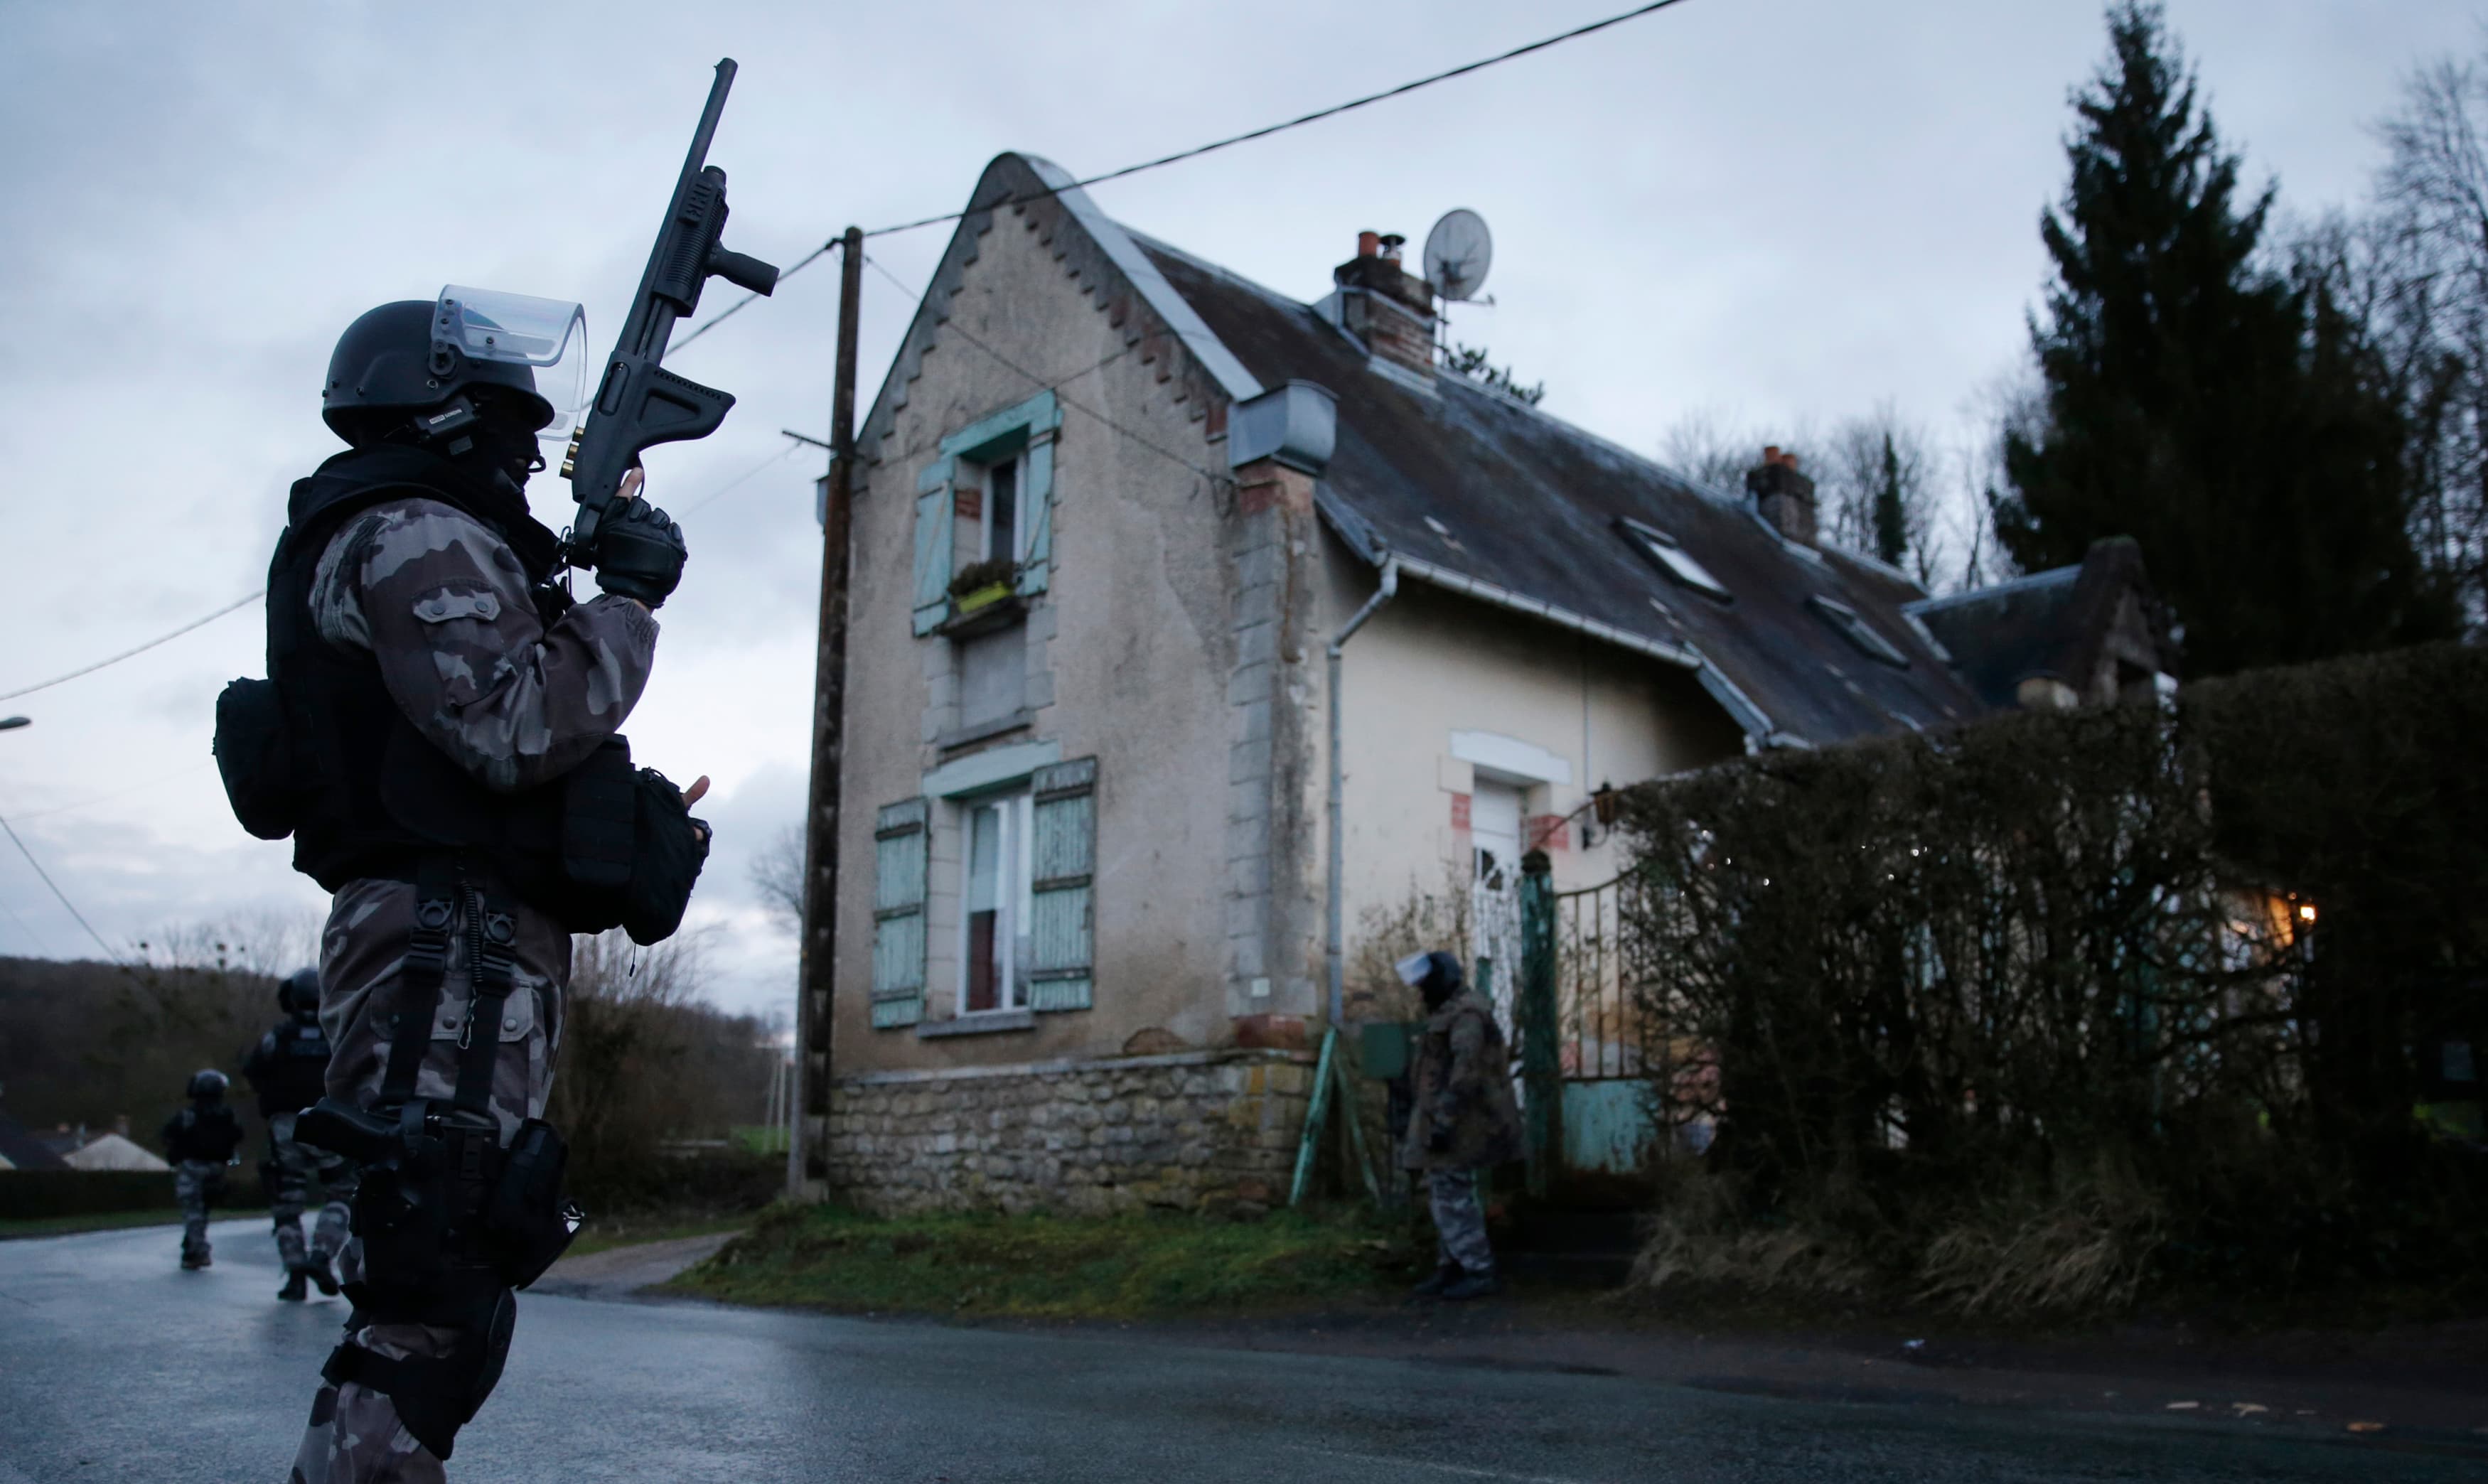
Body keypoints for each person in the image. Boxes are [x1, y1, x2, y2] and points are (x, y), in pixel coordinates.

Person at [242, 295, 706, 1482]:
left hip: (463, 940)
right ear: (438, 408)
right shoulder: (413, 530)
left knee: (430, 1297)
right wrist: (630, 603)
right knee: (431, 1294)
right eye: (511, 421)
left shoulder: (419, 526)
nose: (527, 447)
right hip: (448, 947)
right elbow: (513, 725)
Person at [1396, 951, 1524, 1301]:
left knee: (1452, 1193)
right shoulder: (1451, 1010)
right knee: (1443, 1193)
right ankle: (1451, 1265)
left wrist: (1444, 1121)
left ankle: (1477, 1268)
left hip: (1461, 1123)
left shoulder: (1466, 1013)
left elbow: (1466, 1072)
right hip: (1446, 1119)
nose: (1421, 993)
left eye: (1425, 986)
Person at [243, 967, 358, 1301]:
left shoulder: (276, 1037)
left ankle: (295, 1276)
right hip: (329, 1123)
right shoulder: (337, 1034)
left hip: (286, 1129)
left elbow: (254, 1074)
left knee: (287, 1202)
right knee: (340, 1193)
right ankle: (322, 1256)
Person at [161, 1069, 246, 1270]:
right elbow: (238, 1136)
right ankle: (191, 1248)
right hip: (217, 1169)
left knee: (193, 1212)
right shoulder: (227, 1115)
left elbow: (168, 1134)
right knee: (202, 1211)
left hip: (191, 1168)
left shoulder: (188, 1115)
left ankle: (198, 1250)